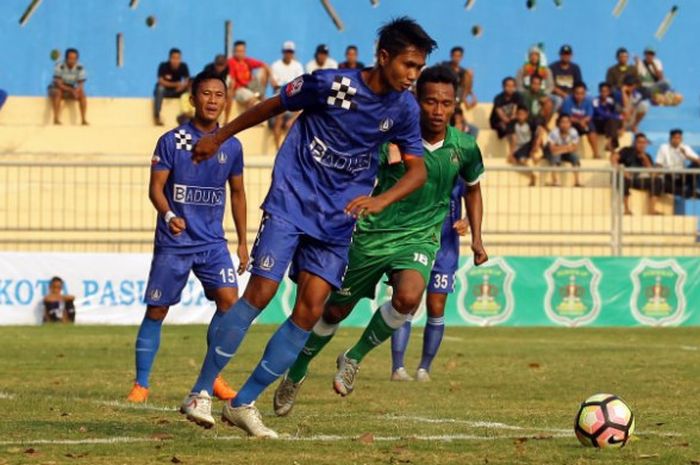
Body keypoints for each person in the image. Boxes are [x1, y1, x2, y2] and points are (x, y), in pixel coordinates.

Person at [181, 17, 435, 438]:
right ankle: (200, 391)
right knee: (261, 292)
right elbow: (273, 105)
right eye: (408, 64)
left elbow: (417, 171)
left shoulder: (405, 109)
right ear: (384, 56)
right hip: (292, 199)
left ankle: (243, 403)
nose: (413, 76)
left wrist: (380, 199)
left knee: (311, 309)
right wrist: (221, 136)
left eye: (419, 68)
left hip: (338, 219)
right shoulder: (330, 84)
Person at [272, 65, 487, 412]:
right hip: (371, 236)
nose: (437, 110)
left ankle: (354, 357)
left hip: (420, 238)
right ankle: (296, 373)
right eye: (430, 101)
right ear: (417, 100)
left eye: (445, 103)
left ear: (455, 104)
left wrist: (477, 237)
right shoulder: (393, 134)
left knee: (408, 298)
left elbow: (474, 190)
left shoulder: (465, 147)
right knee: (334, 311)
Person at [127, 71, 248, 404]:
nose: (212, 100)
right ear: (193, 99)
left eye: (218, 95)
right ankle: (141, 384)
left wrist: (241, 241)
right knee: (157, 310)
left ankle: (213, 378)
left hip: (212, 243)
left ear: (226, 101)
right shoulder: (172, 141)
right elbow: (155, 189)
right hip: (175, 242)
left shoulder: (231, 145)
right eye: (206, 94)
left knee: (229, 303)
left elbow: (237, 193)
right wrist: (169, 216)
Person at [613, 133, 663, 215]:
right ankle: (626, 209)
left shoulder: (647, 156)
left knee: (657, 181)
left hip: (638, 180)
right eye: (639, 142)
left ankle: (652, 209)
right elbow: (613, 159)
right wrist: (622, 171)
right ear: (634, 143)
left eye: (644, 143)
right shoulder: (626, 151)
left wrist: (645, 160)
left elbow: (652, 174)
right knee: (623, 180)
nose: (642, 145)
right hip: (625, 178)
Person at [269, 41, 305, 149]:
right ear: (283, 52)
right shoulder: (276, 65)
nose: (288, 54)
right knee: (279, 118)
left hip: (291, 100)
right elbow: (275, 85)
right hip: (280, 99)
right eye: (287, 51)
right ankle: (277, 149)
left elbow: (300, 85)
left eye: (290, 52)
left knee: (292, 121)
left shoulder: (297, 66)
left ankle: (286, 149)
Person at [227, 40, 271, 116]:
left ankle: (260, 94)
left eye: (242, 51)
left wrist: (272, 80)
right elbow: (232, 80)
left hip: (251, 86)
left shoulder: (247, 60)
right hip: (239, 89)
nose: (240, 53)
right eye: (237, 51)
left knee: (263, 70)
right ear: (234, 51)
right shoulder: (231, 62)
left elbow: (264, 65)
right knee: (252, 99)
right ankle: (247, 119)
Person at [655, 129, 700, 197]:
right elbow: (658, 164)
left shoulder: (685, 148)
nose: (677, 140)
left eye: (679, 138)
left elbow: (698, 161)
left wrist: (687, 156)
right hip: (669, 176)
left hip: (681, 176)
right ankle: (687, 193)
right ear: (670, 138)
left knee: (696, 165)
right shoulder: (663, 147)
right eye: (675, 138)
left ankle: (690, 190)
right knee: (661, 182)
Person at [49, 48, 88, 125]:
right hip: (56, 87)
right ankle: (56, 119)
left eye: (74, 59)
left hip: (70, 88)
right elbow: (58, 84)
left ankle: (83, 120)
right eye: (70, 58)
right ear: (66, 58)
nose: (72, 60)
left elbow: (81, 84)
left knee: (82, 94)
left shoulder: (80, 67)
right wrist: (71, 90)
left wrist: (77, 90)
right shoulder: (59, 66)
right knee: (57, 92)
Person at [561, 82, 600, 158]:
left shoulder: (589, 101)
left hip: (584, 123)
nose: (579, 96)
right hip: (572, 123)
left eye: (582, 93)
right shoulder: (567, 100)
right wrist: (579, 121)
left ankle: (596, 153)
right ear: (573, 93)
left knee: (591, 128)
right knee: (566, 125)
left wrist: (583, 121)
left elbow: (589, 116)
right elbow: (567, 117)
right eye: (577, 93)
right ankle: (567, 153)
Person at [154, 48, 190, 126]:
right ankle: (157, 116)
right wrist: (176, 84)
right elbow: (160, 81)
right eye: (174, 58)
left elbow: (187, 81)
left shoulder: (183, 66)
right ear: (170, 58)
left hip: (177, 91)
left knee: (189, 90)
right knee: (160, 88)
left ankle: (187, 115)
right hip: (165, 91)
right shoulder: (163, 66)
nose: (176, 61)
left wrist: (182, 86)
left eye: (178, 58)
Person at [544, 114, 582, 187]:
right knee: (555, 156)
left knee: (575, 156)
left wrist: (560, 149)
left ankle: (577, 181)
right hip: (550, 151)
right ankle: (555, 181)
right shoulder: (554, 133)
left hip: (563, 151)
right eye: (563, 122)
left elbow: (574, 148)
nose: (565, 125)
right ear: (559, 124)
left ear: (570, 124)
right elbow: (552, 149)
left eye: (567, 122)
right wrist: (567, 147)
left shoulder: (573, 132)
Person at [508, 105, 541, 186]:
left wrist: (535, 147)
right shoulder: (513, 124)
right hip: (520, 147)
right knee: (519, 158)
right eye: (519, 114)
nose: (521, 116)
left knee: (535, 155)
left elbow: (539, 133)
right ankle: (533, 174)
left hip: (530, 144)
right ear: (516, 114)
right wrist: (511, 153)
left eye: (523, 114)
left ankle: (534, 173)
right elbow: (513, 139)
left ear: (527, 115)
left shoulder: (531, 123)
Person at [592, 82, 622, 157]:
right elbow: (599, 113)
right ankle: (612, 145)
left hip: (608, 124)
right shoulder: (595, 101)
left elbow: (615, 113)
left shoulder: (610, 101)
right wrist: (613, 116)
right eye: (602, 91)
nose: (604, 93)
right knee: (613, 120)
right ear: (599, 92)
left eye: (606, 91)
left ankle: (610, 143)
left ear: (608, 92)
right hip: (597, 123)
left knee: (614, 121)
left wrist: (615, 116)